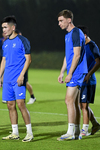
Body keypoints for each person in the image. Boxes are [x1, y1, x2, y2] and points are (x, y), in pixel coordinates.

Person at [0, 16, 34, 142]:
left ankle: (29, 133)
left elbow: (28, 60)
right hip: (7, 79)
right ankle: (15, 133)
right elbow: (4, 60)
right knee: (10, 105)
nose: (4, 30)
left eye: (5, 27)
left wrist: (22, 75)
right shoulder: (5, 43)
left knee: (21, 104)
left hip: (18, 79)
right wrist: (0, 76)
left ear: (13, 27)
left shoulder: (23, 40)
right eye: (2, 27)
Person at [57, 10, 88, 141]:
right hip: (74, 71)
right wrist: (62, 71)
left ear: (69, 20)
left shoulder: (76, 33)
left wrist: (70, 74)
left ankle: (70, 133)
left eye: (61, 21)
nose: (59, 24)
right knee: (74, 102)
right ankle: (75, 132)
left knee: (68, 100)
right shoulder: (68, 35)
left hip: (77, 71)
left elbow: (77, 55)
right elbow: (68, 55)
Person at [76, 25, 100, 137]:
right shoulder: (81, 46)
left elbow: (98, 61)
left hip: (89, 81)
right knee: (82, 105)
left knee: (84, 106)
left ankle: (84, 131)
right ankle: (95, 124)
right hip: (81, 80)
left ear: (84, 35)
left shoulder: (92, 46)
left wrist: (89, 74)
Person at [15, 29, 36, 104]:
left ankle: (32, 97)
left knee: (25, 82)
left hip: (23, 66)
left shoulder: (24, 42)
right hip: (16, 67)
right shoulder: (14, 42)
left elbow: (28, 57)